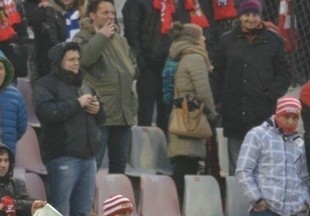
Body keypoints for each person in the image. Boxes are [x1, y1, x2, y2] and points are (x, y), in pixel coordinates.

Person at [236, 96, 310, 216]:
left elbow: (303, 176)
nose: (291, 122)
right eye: (287, 117)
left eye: (295, 118)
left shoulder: (299, 142)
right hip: (265, 210)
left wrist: (304, 202)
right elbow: (243, 169)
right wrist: (257, 199)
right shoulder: (258, 135)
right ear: (278, 114)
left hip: (290, 212)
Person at [211, 0, 291, 173]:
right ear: (240, 16)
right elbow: (217, 73)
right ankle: (236, 197)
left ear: (260, 17)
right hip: (234, 109)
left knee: (260, 162)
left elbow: (284, 73)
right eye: (247, 15)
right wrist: (218, 99)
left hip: (262, 109)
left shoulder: (273, 41)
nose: (251, 19)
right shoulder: (226, 40)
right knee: (237, 164)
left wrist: (271, 94)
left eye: (255, 15)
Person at [34, 41, 104, 216]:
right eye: (71, 59)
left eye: (78, 59)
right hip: (63, 157)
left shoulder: (84, 84)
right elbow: (46, 112)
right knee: (59, 214)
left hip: (89, 158)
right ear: (59, 62)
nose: (76, 63)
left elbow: (103, 116)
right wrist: (77, 103)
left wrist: (98, 110)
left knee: (84, 215)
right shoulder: (45, 84)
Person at [74, 0, 137, 175]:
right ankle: (89, 202)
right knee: (94, 164)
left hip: (124, 112)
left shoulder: (119, 39)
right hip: (100, 113)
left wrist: (132, 70)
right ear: (92, 15)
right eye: (105, 13)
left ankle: (114, 201)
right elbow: (83, 59)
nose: (111, 16)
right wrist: (101, 36)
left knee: (119, 166)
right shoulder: (83, 37)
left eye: (112, 13)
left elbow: (132, 63)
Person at [166, 22, 217, 201]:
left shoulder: (183, 57)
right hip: (191, 119)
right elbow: (203, 91)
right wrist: (212, 113)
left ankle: (178, 204)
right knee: (186, 166)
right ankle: (178, 205)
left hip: (182, 115)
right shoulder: (195, 58)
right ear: (193, 39)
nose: (204, 38)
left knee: (183, 164)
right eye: (200, 35)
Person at [121, 0, 171, 129]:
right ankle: (145, 148)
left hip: (169, 64)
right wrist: (141, 63)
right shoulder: (134, 3)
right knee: (146, 115)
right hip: (148, 66)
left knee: (167, 113)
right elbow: (131, 35)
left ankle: (165, 147)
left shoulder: (171, 2)